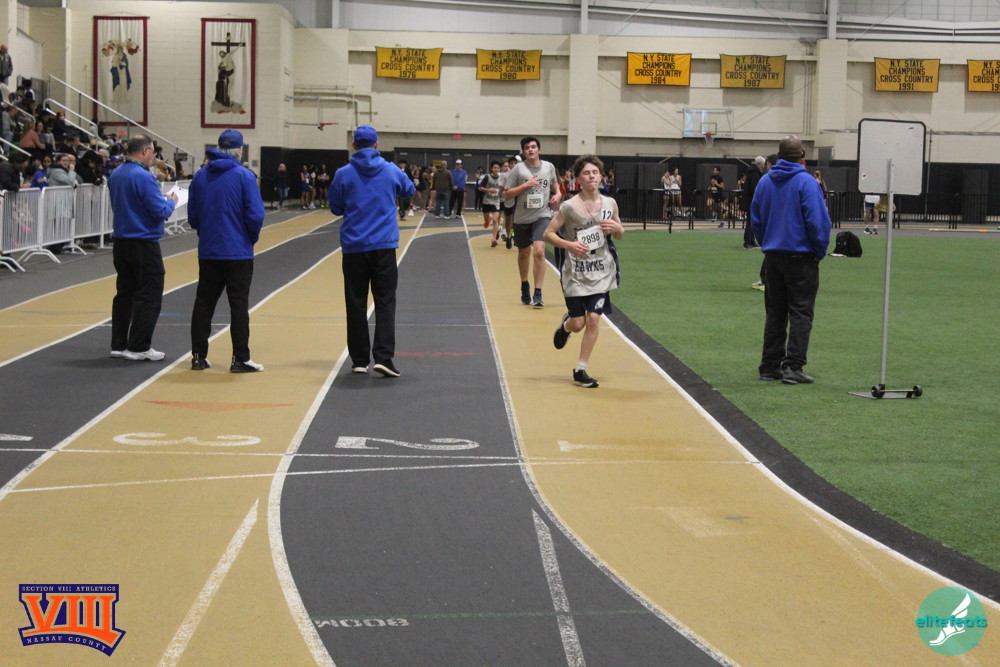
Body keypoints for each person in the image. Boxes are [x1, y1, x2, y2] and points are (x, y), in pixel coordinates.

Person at [328, 125, 414, 377]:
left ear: (354, 145)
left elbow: (335, 207)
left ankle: (359, 359)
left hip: (354, 246)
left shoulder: (343, 173)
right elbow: (409, 190)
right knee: (385, 301)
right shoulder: (390, 170)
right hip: (383, 245)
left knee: (355, 302)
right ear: (377, 144)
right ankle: (384, 357)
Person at [750, 135, 831, 385]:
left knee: (775, 313)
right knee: (801, 312)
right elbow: (818, 222)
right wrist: (819, 251)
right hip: (801, 256)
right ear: (802, 155)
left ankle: (769, 365)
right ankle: (794, 367)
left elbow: (756, 219)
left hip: (773, 257)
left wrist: (767, 243)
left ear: (779, 154)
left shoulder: (765, 182)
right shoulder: (807, 183)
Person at [188, 129, 266, 373]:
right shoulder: (244, 176)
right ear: (239, 150)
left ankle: (198, 356)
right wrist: (250, 238)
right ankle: (240, 358)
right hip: (238, 251)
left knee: (204, 303)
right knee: (238, 305)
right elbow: (255, 214)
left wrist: (206, 232)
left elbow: (193, 216)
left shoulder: (200, 176)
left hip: (209, 250)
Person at [544, 154, 624, 389]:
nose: (591, 177)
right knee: (578, 323)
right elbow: (548, 234)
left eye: (595, 172)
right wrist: (569, 245)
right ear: (578, 179)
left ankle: (580, 369)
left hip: (602, 271)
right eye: (586, 173)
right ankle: (566, 326)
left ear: (601, 176)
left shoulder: (610, 204)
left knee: (594, 319)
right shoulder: (569, 207)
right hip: (576, 273)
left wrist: (617, 228)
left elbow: (619, 234)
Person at [108, 134, 178, 361]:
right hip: (143, 241)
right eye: (153, 153)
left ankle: (118, 344)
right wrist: (171, 201)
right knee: (149, 294)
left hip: (122, 242)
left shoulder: (116, 174)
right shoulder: (144, 177)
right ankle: (139, 346)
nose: (153, 158)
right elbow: (160, 211)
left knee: (125, 294)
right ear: (146, 151)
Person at [503, 136, 561, 307]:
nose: (530, 150)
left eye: (533, 147)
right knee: (524, 253)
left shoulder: (549, 167)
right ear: (523, 151)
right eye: (527, 147)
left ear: (539, 150)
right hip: (522, 217)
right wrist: (525, 186)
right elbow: (507, 194)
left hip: (542, 215)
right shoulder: (518, 170)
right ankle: (524, 284)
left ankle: (538, 292)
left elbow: (555, 184)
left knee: (539, 251)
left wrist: (558, 194)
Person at [750, 154, 778, 291]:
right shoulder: (804, 180)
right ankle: (765, 279)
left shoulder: (765, 181)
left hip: (772, 226)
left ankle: (766, 281)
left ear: (769, 165)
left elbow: (756, 212)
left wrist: (762, 240)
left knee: (772, 255)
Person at [741, 156, 766, 248]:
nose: (764, 165)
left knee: (751, 221)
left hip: (749, 200)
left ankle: (751, 240)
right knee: (751, 221)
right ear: (760, 164)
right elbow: (755, 188)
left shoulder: (751, 173)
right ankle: (748, 241)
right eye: (763, 163)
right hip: (752, 201)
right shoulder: (755, 174)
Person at [479, 160, 502, 245]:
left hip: (496, 201)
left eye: (498, 168)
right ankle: (488, 220)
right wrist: (489, 190)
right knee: (487, 220)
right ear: (491, 168)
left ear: (500, 169)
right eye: (494, 168)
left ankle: (494, 239)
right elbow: (480, 188)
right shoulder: (487, 177)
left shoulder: (501, 178)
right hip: (487, 201)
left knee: (495, 220)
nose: (496, 169)